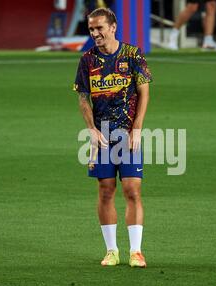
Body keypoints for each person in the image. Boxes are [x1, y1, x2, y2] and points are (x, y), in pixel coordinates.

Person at [73, 8, 152, 267]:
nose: (95, 33)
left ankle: (136, 251)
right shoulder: (87, 60)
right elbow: (83, 97)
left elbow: (143, 91)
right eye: (91, 29)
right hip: (102, 137)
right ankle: (111, 251)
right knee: (105, 191)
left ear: (113, 27)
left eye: (99, 28)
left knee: (132, 190)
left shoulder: (132, 54)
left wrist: (138, 127)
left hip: (128, 134)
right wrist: (91, 129)